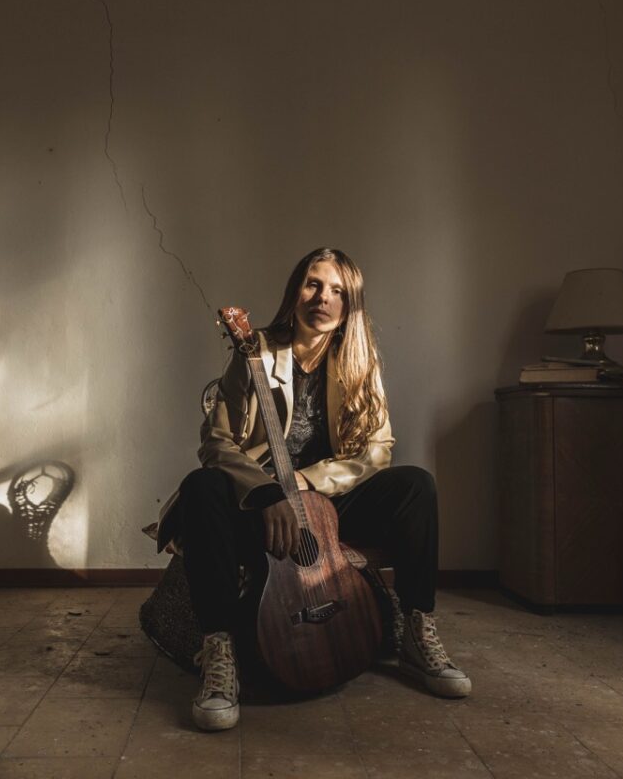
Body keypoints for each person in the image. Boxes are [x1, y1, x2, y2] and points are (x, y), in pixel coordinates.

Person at [155, 248, 471, 732]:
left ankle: (416, 631)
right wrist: (268, 493)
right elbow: (217, 442)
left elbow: (378, 451)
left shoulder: (360, 363)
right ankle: (219, 650)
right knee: (201, 486)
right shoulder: (255, 351)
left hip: (328, 504)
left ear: (350, 305)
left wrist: (305, 482)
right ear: (295, 291)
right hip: (262, 502)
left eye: (337, 291)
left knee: (416, 486)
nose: (323, 297)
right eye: (313, 284)